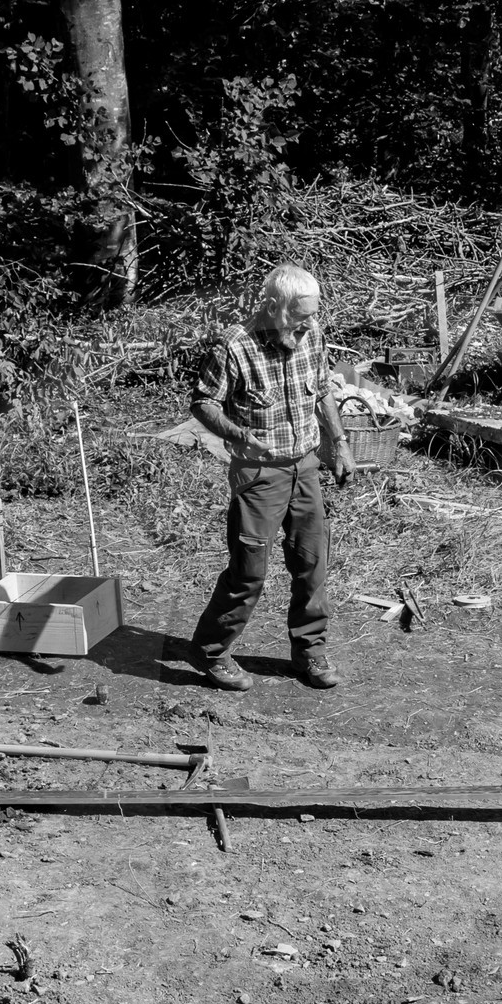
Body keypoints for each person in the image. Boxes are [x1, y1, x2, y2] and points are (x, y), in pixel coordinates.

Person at [188, 264, 356, 691]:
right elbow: (204, 403)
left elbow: (321, 390)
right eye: (299, 314)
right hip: (258, 473)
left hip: (306, 466)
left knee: (312, 564)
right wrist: (241, 435)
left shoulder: (312, 334)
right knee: (249, 571)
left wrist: (338, 443)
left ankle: (310, 653)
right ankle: (211, 653)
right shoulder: (235, 346)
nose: (308, 322)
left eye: (312, 313)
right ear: (274, 306)